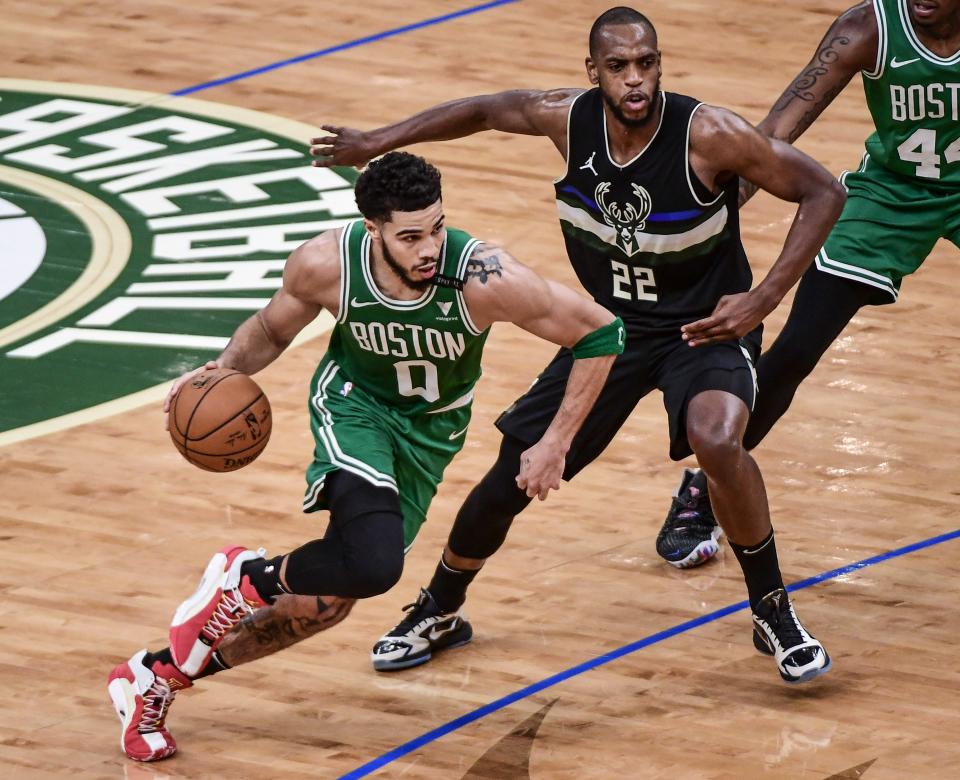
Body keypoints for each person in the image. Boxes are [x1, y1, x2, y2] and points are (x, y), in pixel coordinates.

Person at [309, 7, 845, 684]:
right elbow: (483, 109)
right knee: (513, 472)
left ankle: (773, 610)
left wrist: (763, 297)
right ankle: (440, 608)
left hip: (700, 328)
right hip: (608, 331)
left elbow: (824, 190)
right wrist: (378, 141)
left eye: (647, 63)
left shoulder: (709, 134)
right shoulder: (567, 119)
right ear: (593, 73)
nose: (635, 80)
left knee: (718, 438)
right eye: (618, 67)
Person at [106, 151, 624, 762]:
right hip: (354, 410)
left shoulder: (486, 277)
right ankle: (247, 578)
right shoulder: (327, 264)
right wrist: (223, 371)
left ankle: (156, 677)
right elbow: (272, 330)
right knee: (377, 566)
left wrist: (555, 439)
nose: (430, 247)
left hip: (428, 437)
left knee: (327, 601)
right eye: (410, 236)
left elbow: (599, 331)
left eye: (436, 227)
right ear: (373, 229)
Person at [651, 0, 960, 566]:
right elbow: (773, 136)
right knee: (794, 350)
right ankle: (705, 484)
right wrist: (710, 216)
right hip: (890, 197)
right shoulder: (867, 28)